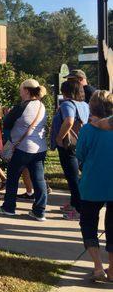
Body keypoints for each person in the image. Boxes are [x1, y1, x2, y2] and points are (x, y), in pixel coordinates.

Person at [0, 79, 48, 221]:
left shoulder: (22, 107)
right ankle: (39, 211)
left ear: (26, 90)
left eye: (21, 89)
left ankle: (9, 207)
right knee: (38, 179)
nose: (20, 92)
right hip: (39, 148)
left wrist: (8, 113)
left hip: (22, 148)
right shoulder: (42, 106)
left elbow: (6, 122)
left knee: (12, 177)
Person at [76, 90, 113, 282]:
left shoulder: (88, 130)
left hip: (92, 183)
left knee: (89, 223)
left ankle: (98, 267)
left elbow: (80, 155)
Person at [51, 80, 89, 220]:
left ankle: (79, 210)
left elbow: (69, 121)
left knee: (72, 178)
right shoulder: (84, 105)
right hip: (80, 143)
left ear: (66, 91)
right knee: (75, 176)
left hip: (68, 146)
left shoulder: (67, 104)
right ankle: (74, 204)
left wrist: (59, 138)